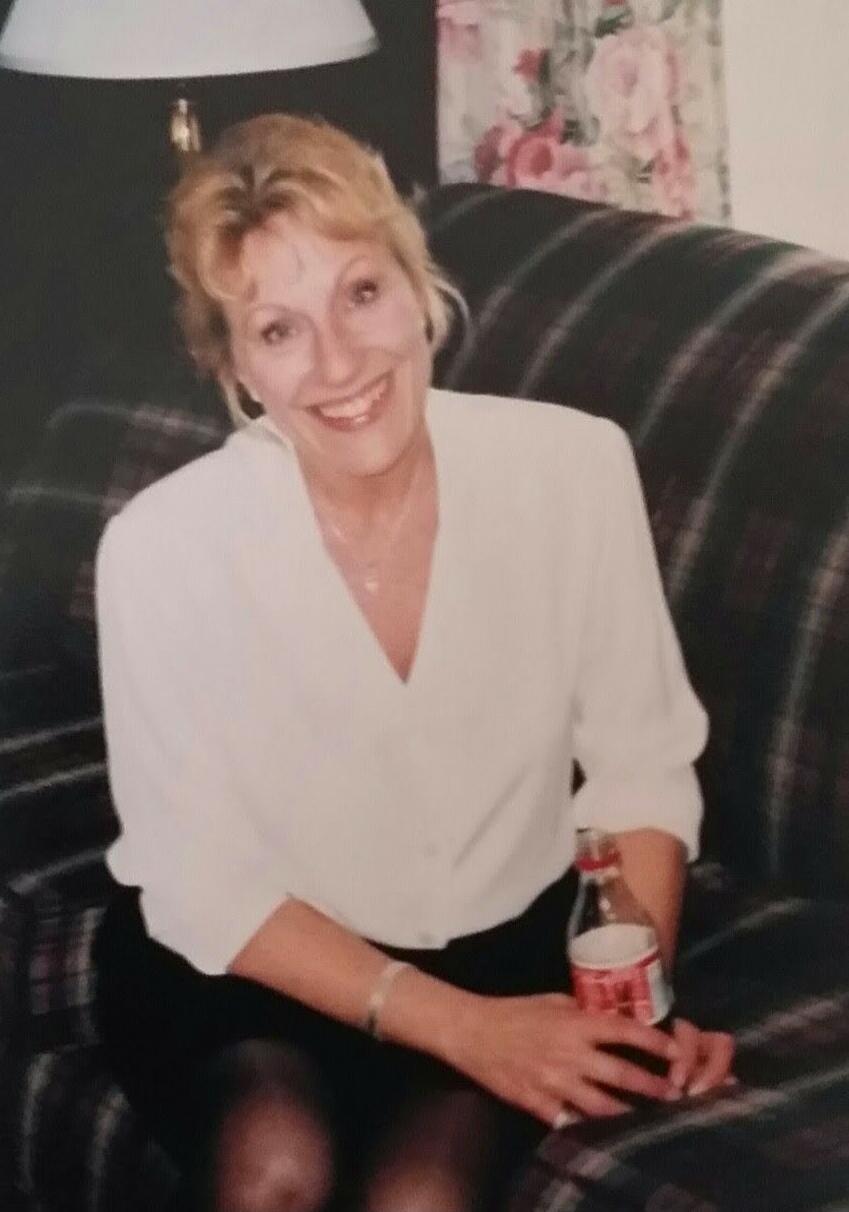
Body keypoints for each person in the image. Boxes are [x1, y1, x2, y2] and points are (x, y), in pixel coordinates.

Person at [93, 113, 734, 1212]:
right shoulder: (162, 546)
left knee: (419, 1202)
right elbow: (198, 880)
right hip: (259, 964)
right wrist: (461, 1028)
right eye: (279, 329)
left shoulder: (572, 472)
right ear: (234, 364)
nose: (339, 364)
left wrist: (633, 1005)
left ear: (419, 284)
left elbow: (639, 765)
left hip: (506, 943)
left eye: (361, 293)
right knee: (273, 1170)